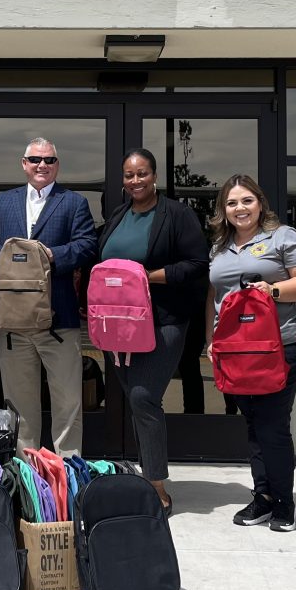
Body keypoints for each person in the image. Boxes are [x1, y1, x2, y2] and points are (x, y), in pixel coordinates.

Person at [97, 147, 208, 512]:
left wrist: (150, 277)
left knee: (144, 397)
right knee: (136, 399)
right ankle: (148, 471)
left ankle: (156, 483)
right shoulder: (118, 215)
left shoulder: (176, 214)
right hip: (118, 324)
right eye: (129, 175)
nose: (135, 181)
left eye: (142, 173)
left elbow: (196, 264)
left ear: (155, 175)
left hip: (165, 320)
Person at [205, 174, 296, 532]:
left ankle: (285, 501)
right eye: (232, 203)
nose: (240, 208)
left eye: (247, 201)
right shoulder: (219, 247)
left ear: (260, 203)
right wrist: (213, 338)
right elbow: (214, 296)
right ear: (224, 210)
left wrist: (272, 291)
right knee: (254, 425)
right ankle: (264, 497)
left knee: (272, 424)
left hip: (280, 345)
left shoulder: (283, 237)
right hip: (237, 350)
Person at [0, 138, 97, 458]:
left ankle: (67, 473)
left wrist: (49, 256)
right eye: (35, 160)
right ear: (23, 163)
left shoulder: (74, 202)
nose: (41, 165)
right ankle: (28, 477)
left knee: (68, 403)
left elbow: (87, 245)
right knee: (19, 405)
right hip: (14, 323)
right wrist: (9, 256)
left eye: (48, 160)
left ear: (57, 165)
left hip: (59, 322)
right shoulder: (4, 202)